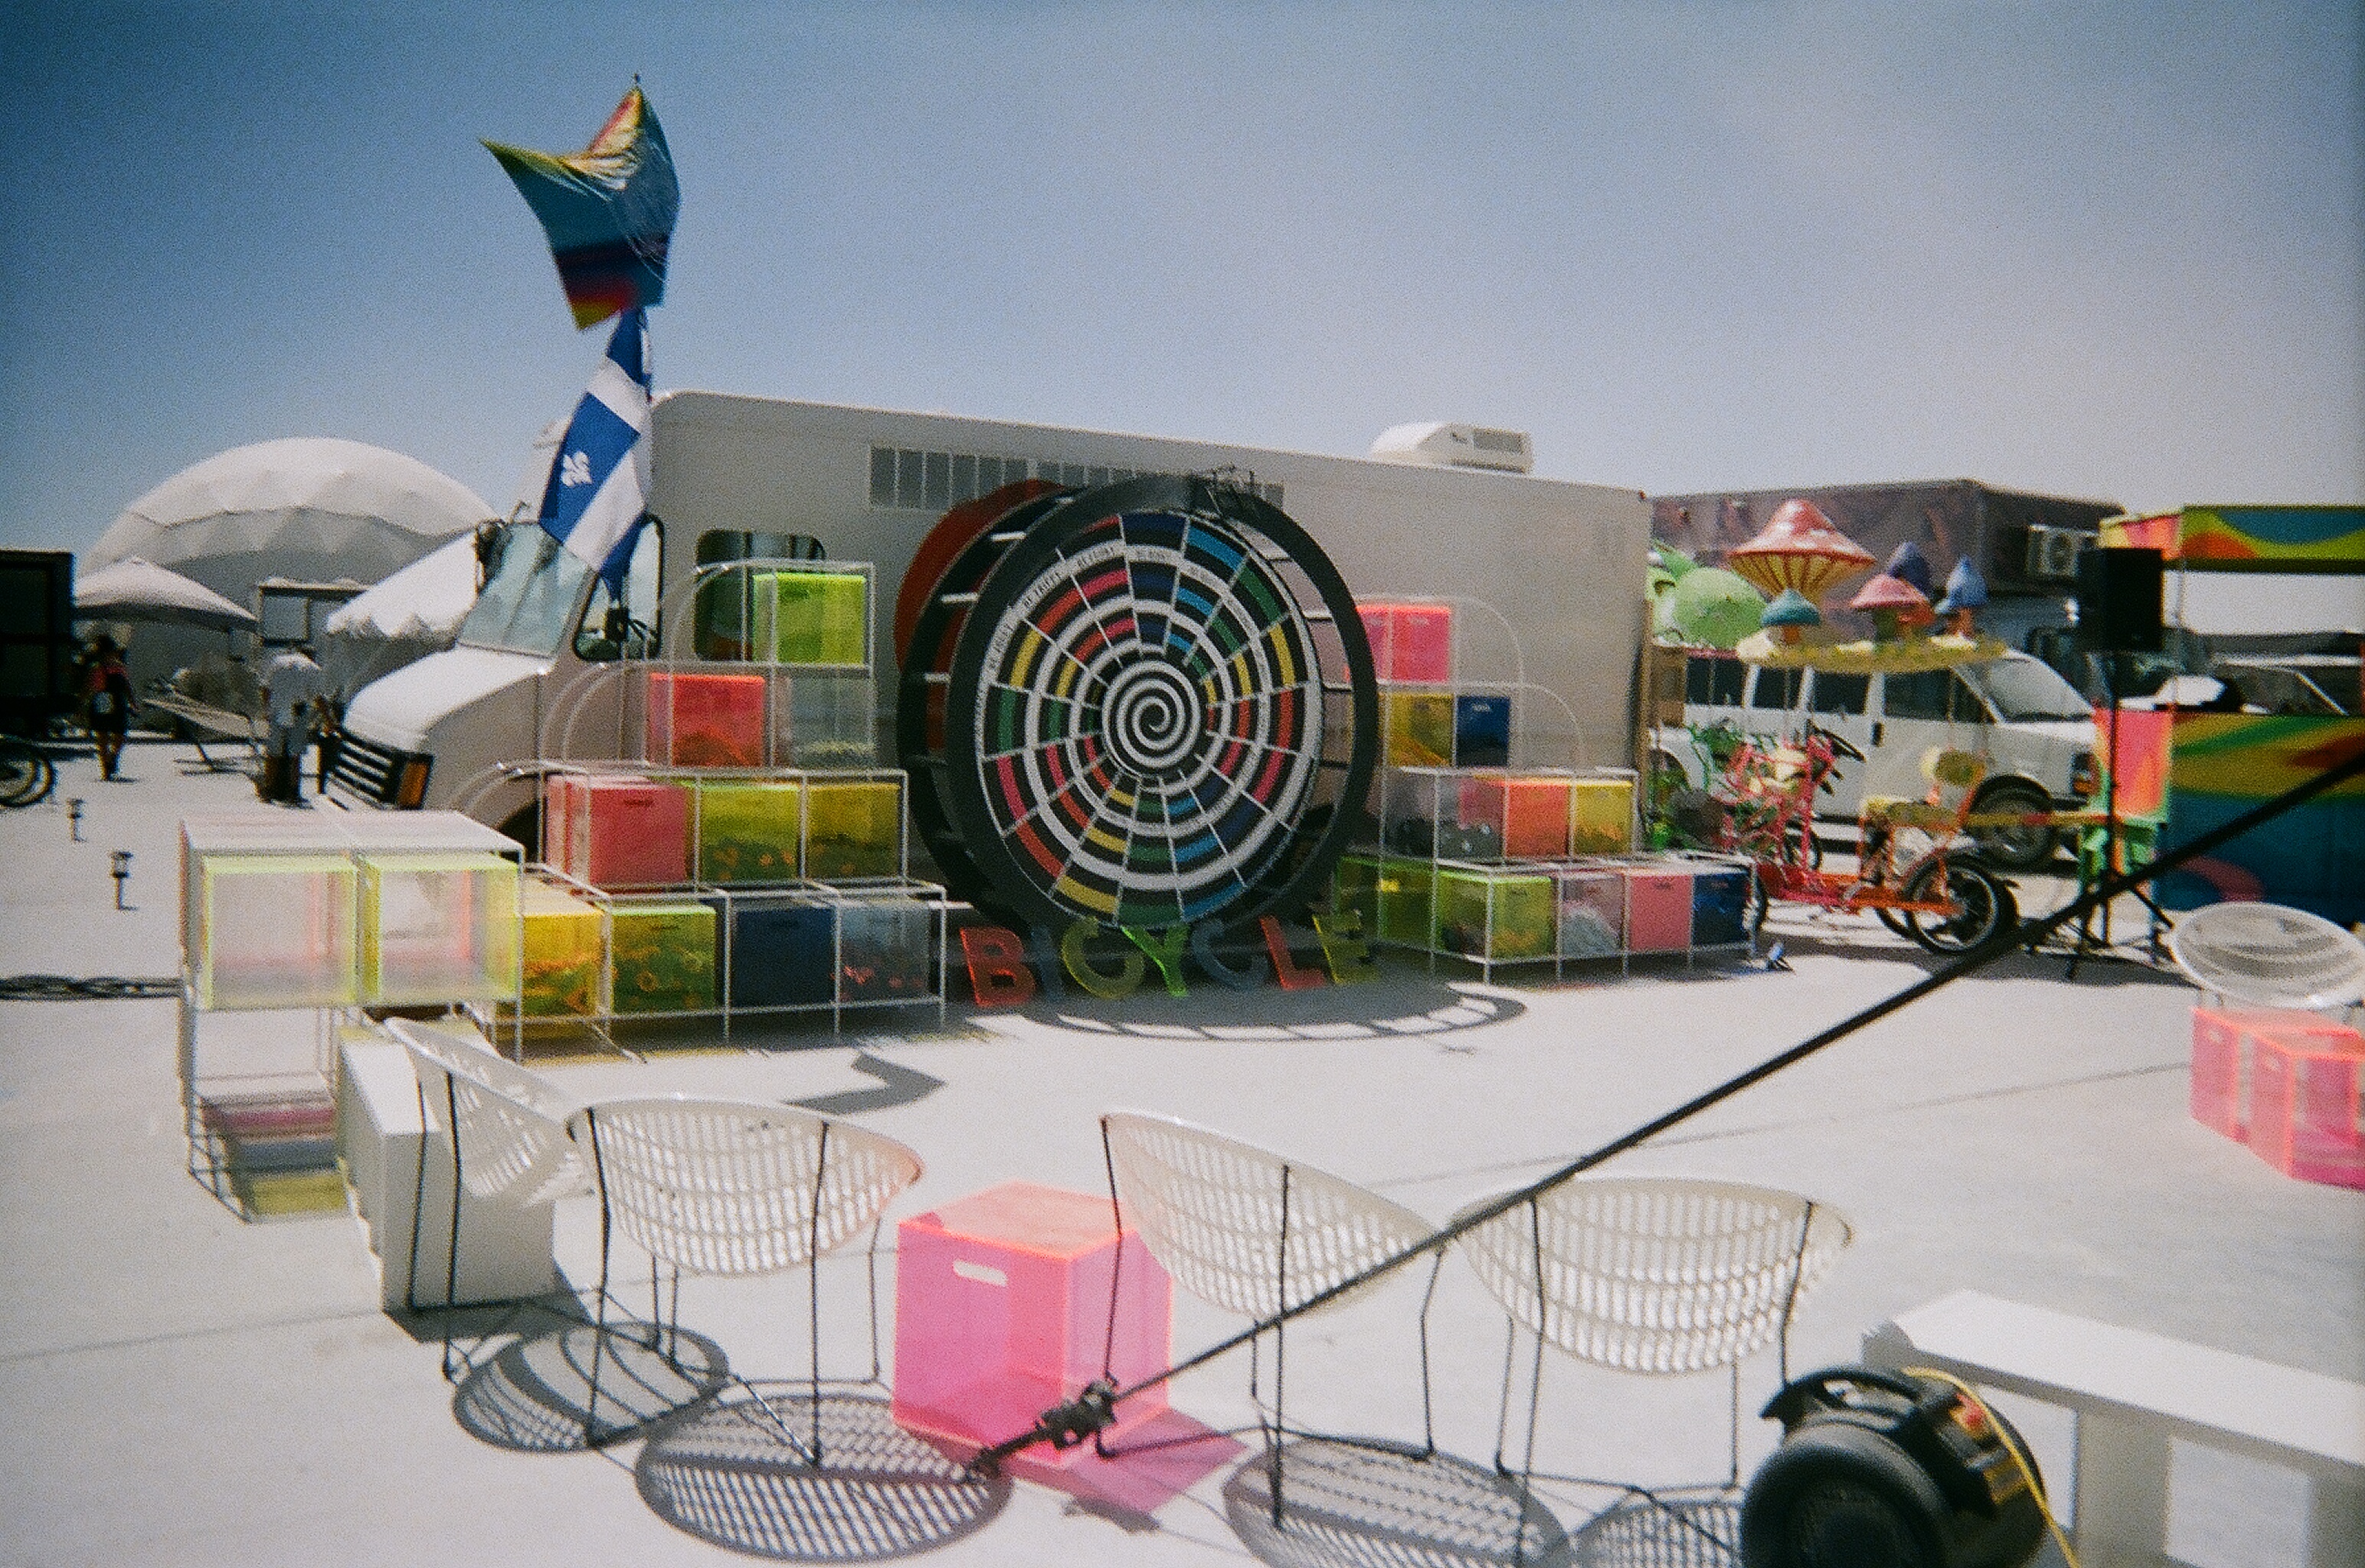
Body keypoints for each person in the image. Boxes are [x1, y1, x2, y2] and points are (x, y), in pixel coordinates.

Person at [260, 643, 325, 805]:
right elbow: (317, 697)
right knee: (295, 755)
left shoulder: (277, 662)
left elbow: (266, 688)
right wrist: (329, 719)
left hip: (277, 711)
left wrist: (266, 709)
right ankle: (293, 793)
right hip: (298, 712)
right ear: (311, 655)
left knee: (273, 754)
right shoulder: (312, 668)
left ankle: (268, 791)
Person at [82, 633, 136, 782]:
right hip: (104, 702)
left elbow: (126, 686)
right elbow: (88, 687)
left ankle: (111, 758)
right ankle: (106, 767)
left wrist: (132, 701)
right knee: (104, 736)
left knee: (117, 735)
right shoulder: (97, 668)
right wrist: (82, 704)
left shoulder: (119, 668)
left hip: (113, 702)